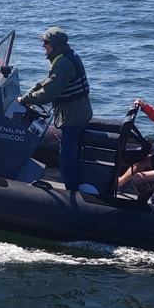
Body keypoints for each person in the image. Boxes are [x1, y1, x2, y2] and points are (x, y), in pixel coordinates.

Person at [18, 27, 92, 191]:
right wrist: (30, 93)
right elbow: (48, 81)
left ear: (55, 44)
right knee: (70, 153)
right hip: (79, 113)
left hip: (73, 118)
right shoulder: (65, 56)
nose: (43, 46)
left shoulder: (63, 64)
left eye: (46, 42)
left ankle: (72, 192)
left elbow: (48, 94)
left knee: (66, 158)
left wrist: (25, 99)